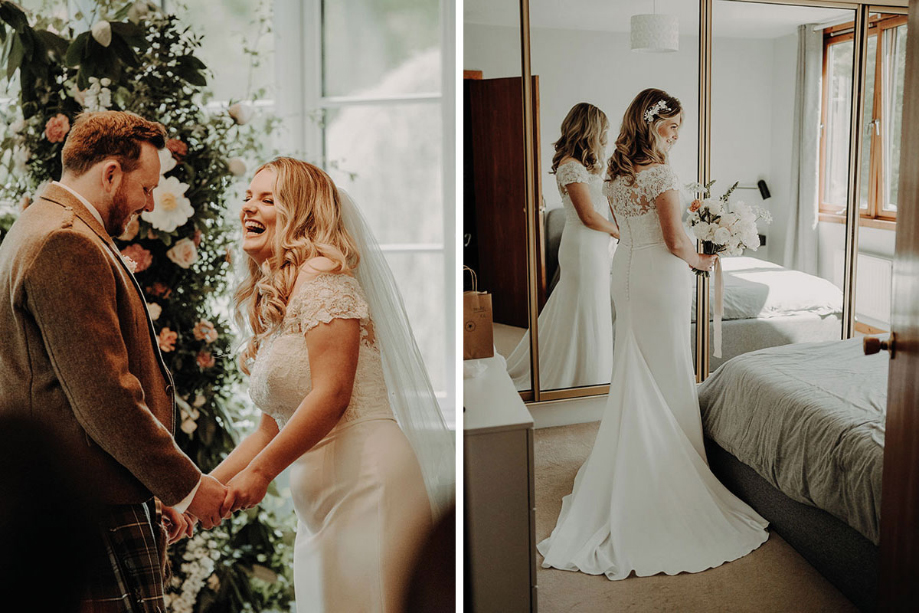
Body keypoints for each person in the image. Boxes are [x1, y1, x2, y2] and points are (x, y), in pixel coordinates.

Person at [0, 111, 227, 611]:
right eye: (145, 188)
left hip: (85, 495)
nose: (148, 204)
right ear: (109, 173)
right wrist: (187, 487)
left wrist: (154, 485)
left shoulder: (38, 225)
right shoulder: (66, 242)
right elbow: (105, 397)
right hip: (92, 507)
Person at [537, 89, 768, 579]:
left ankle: (632, 458)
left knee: (635, 363)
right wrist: (702, 258)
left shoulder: (619, 173)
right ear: (652, 124)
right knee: (665, 367)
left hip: (625, 271)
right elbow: (673, 239)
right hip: (660, 278)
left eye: (680, 125)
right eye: (672, 125)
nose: (677, 133)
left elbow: (630, 226)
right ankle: (666, 471)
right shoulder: (661, 173)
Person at [214, 158, 453, 612]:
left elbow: (333, 394)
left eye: (268, 200)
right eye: (248, 197)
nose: (249, 207)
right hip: (319, 503)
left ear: (301, 214)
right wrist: (205, 487)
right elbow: (269, 430)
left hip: (366, 482)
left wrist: (261, 474)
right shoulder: (279, 297)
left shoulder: (326, 283)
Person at [505, 102, 619, 391]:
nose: (606, 135)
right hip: (582, 246)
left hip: (594, 247)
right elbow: (588, 216)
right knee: (584, 305)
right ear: (590, 129)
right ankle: (581, 376)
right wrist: (620, 233)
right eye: (603, 129)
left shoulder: (585, 166)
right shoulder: (570, 166)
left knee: (586, 306)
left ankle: (591, 371)